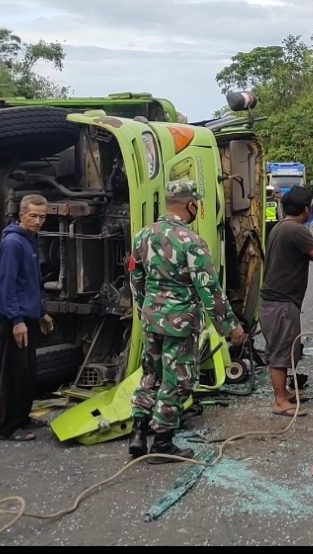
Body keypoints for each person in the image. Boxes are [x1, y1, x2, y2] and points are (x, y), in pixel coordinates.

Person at [128, 180, 247, 463]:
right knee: (176, 380)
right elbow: (209, 289)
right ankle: (162, 443)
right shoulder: (191, 241)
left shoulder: (142, 236)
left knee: (151, 374)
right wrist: (230, 327)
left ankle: (138, 431)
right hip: (179, 322)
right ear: (191, 205)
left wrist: (146, 308)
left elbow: (135, 278)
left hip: (151, 318)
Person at [260, 186, 313, 417]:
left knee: (287, 348)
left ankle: (285, 392)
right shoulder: (295, 230)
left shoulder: (282, 227)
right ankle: (280, 401)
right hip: (280, 303)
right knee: (281, 352)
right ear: (307, 208)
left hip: (278, 301)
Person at [0, 194, 55, 442]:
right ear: (21, 216)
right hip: (13, 320)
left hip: (26, 317)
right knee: (12, 374)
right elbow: (7, 286)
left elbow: (30, 283)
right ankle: (8, 427)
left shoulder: (30, 240)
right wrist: (17, 320)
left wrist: (41, 313)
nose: (38, 221)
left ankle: (23, 416)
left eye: (42, 217)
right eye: (33, 216)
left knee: (27, 373)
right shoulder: (14, 244)